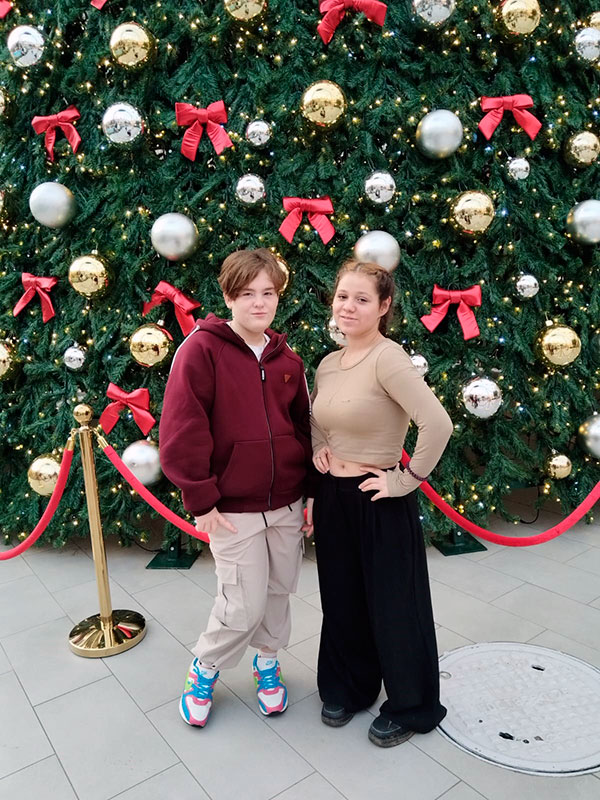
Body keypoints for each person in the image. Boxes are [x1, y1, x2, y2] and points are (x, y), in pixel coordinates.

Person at [159, 248, 314, 728]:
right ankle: (204, 668)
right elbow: (183, 429)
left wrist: (310, 493)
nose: (259, 303)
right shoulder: (201, 350)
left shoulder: (288, 360)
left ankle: (267, 663)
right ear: (228, 297)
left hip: (287, 503)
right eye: (247, 294)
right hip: (230, 509)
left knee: (278, 591)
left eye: (268, 293)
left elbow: (304, 428)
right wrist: (201, 500)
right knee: (241, 602)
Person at [309, 259, 453, 747]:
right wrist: (319, 447)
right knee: (341, 598)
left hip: (379, 497)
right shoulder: (328, 363)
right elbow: (316, 418)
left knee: (395, 605)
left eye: (362, 299)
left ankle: (412, 706)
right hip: (334, 497)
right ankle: (349, 687)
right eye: (342, 296)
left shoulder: (388, 359)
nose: (348, 307)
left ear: (384, 306)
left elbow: (438, 424)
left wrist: (405, 481)